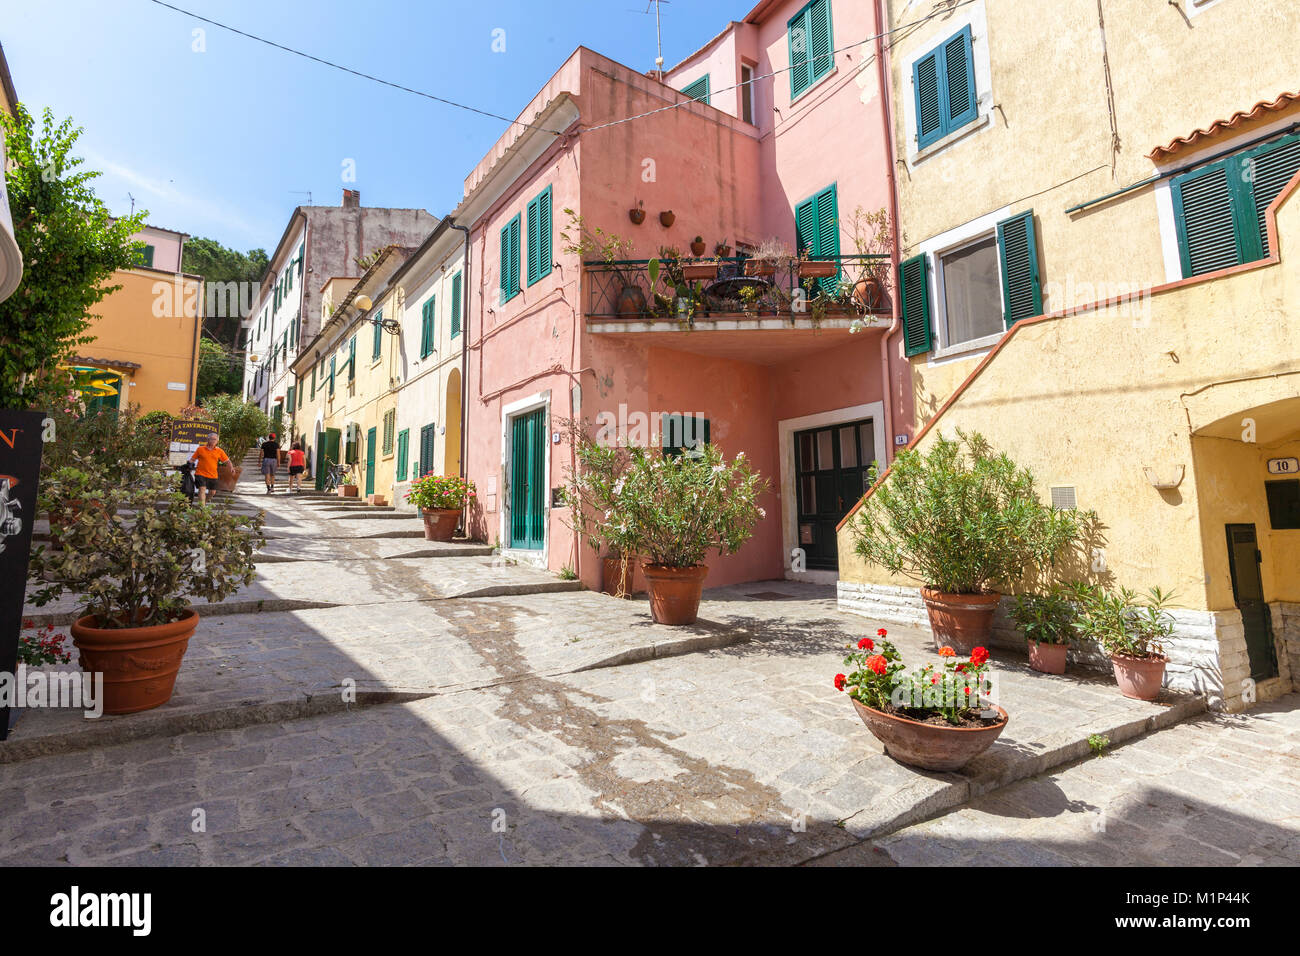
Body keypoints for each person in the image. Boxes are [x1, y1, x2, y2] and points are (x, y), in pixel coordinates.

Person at [189, 433, 230, 506]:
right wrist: (188, 465)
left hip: (213, 475)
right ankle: (202, 508)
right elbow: (192, 459)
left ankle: (203, 503)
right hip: (200, 473)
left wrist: (231, 468)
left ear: (217, 441)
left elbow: (227, 461)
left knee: (212, 492)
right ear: (208, 440)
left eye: (215, 439)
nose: (213, 441)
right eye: (212, 439)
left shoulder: (219, 451)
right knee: (202, 489)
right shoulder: (200, 449)